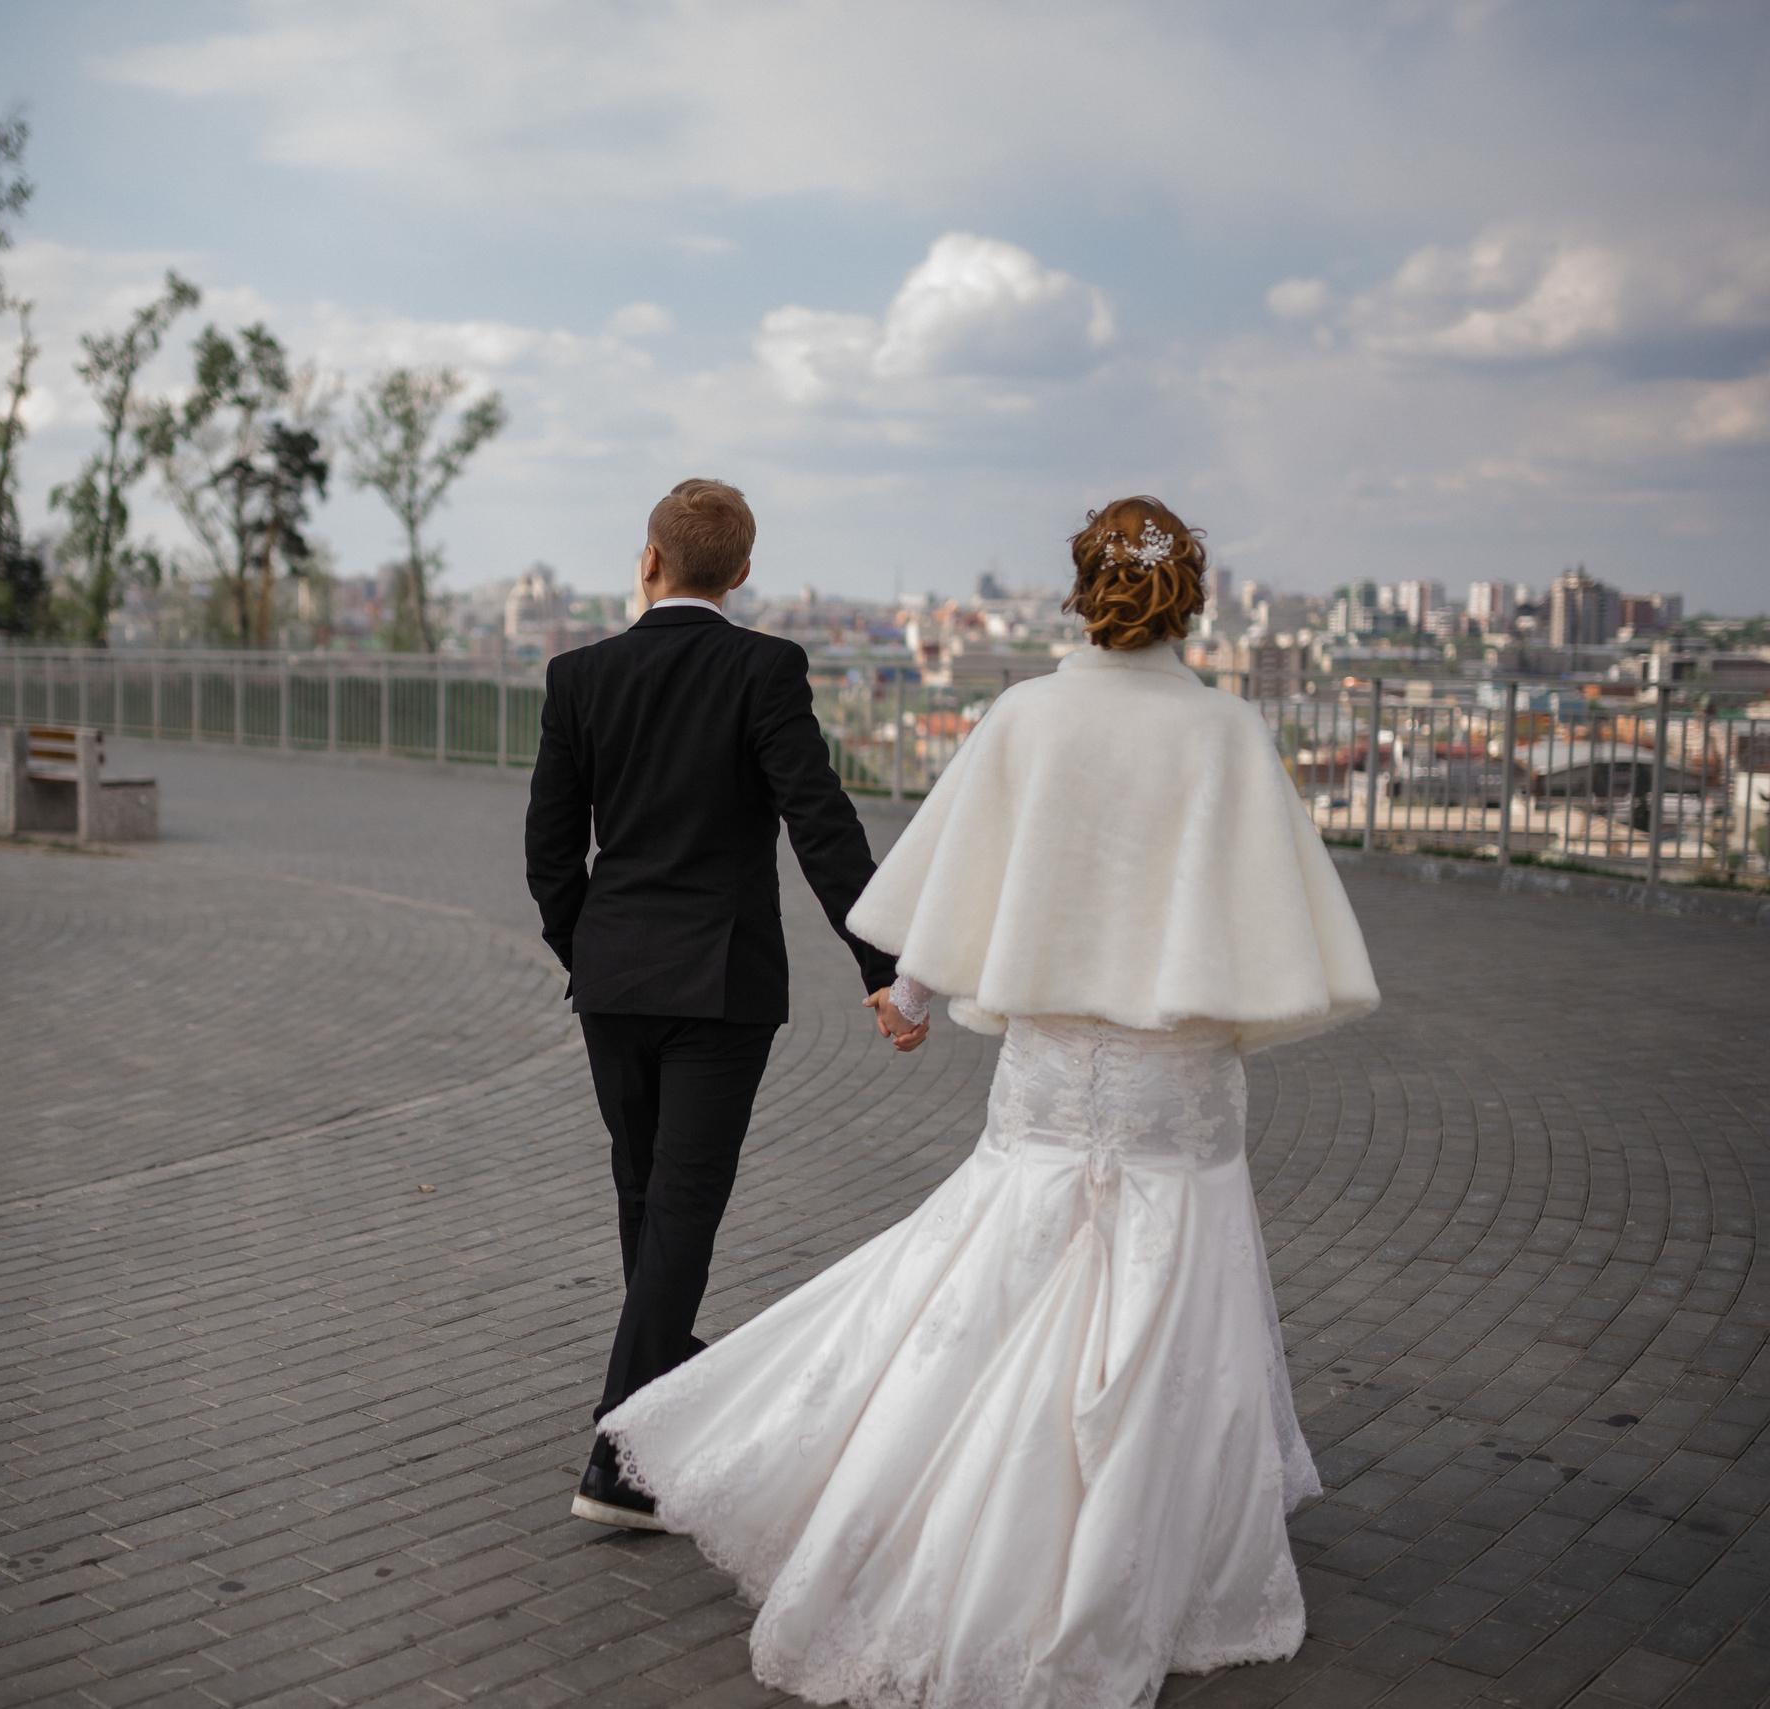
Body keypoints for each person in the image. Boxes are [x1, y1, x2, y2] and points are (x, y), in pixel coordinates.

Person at [600, 496, 1381, 1708]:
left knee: (994, 1276)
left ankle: (949, 1512)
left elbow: (966, 868)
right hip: (1176, 1078)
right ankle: (1156, 1547)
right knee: (1178, 1296)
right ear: (1191, 598)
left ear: (1081, 588)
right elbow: (1264, 912)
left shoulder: (1028, 714)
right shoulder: (1228, 732)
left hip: (1054, 1069)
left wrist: (903, 993)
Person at [525, 477, 928, 1533]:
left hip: (613, 979)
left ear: (646, 558)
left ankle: (666, 1382)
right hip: (719, 982)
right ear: (741, 572)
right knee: (683, 1209)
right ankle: (619, 1453)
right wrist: (877, 965)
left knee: (644, 1195)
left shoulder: (578, 675)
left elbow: (548, 848)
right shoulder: (764, 667)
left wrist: (588, 943)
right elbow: (818, 820)